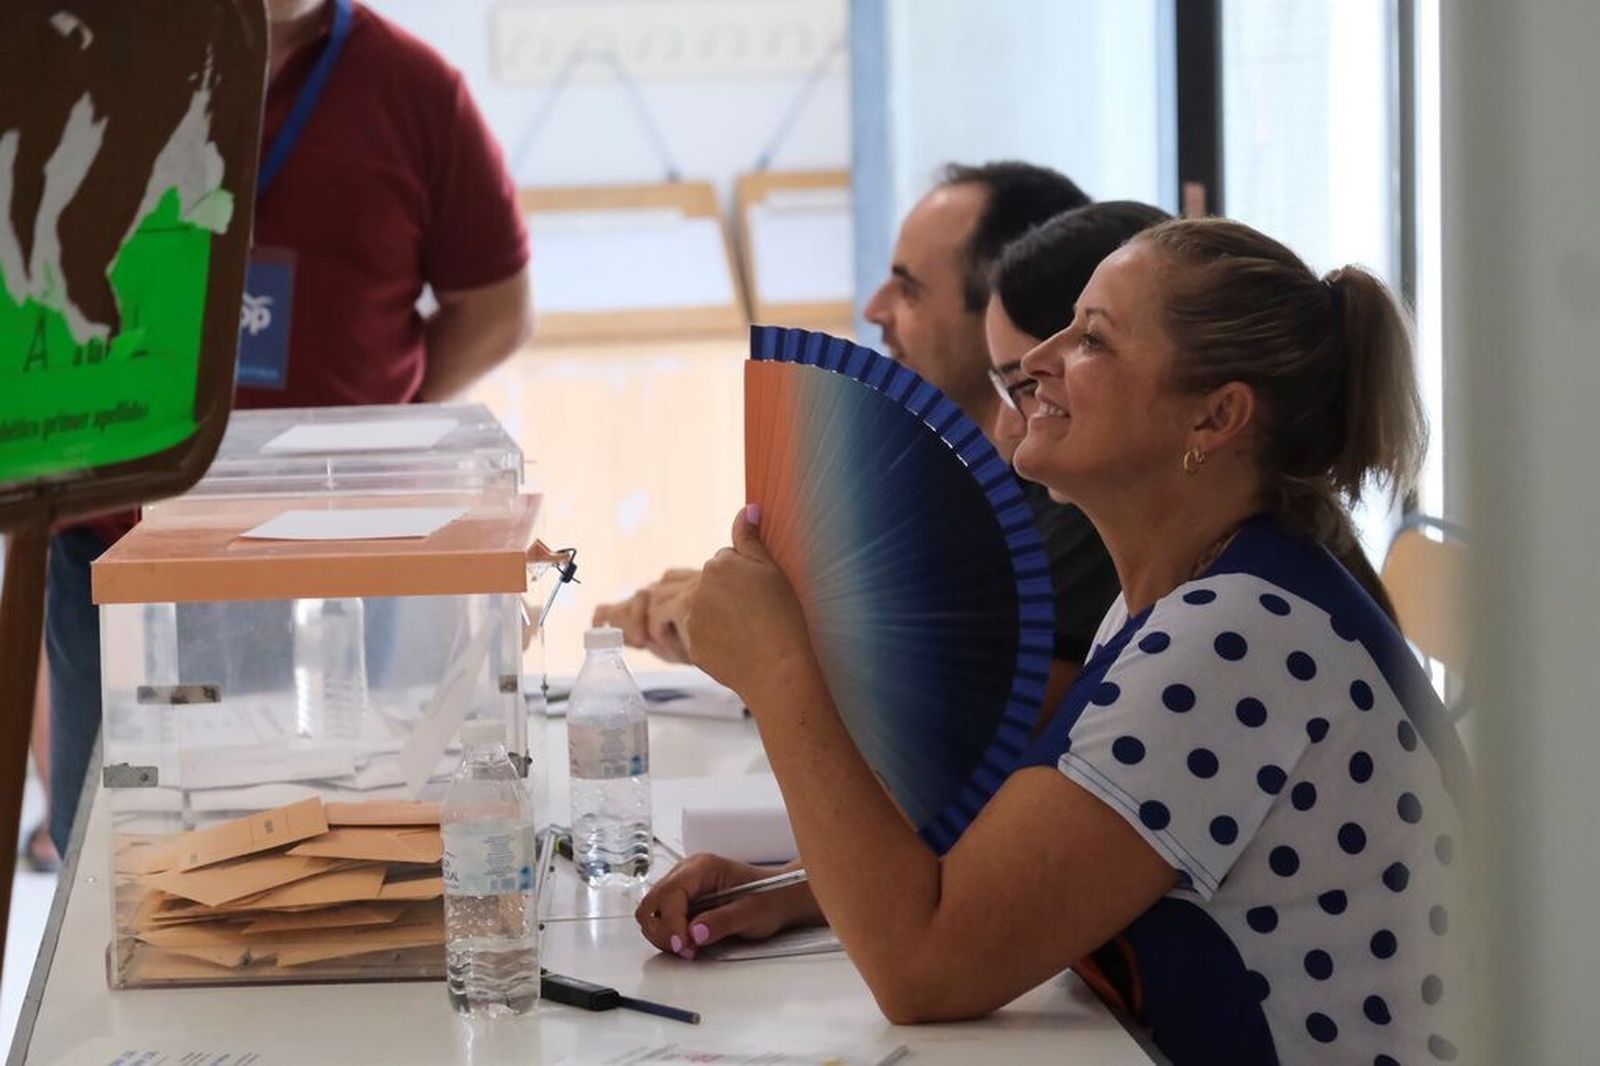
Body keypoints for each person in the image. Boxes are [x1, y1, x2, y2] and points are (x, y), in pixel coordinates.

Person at [638, 217, 1471, 1065]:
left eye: (1093, 340)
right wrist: (800, 890)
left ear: (1215, 418)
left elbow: (924, 971)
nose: (1039, 360)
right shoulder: (1193, 597)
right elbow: (1035, 875)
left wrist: (780, 671)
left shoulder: (1236, 636)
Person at [44, 0, 533, 855]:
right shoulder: (90, 58)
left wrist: (375, 428)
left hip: (346, 563)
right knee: (124, 869)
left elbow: (495, 309)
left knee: (336, 858)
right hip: (123, 561)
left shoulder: (418, 91)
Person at [596, 162, 1115, 706]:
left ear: (999, 309)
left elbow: (978, 729)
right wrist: (732, 626)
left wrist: (769, 648)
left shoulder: (1078, 501)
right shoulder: (963, 486)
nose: (874, 310)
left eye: (909, 289)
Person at [984, 201, 1171, 690]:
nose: (1005, 427)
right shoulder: (1154, 582)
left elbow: (980, 755)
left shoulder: (1213, 615)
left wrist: (781, 663)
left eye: (1088, 339)